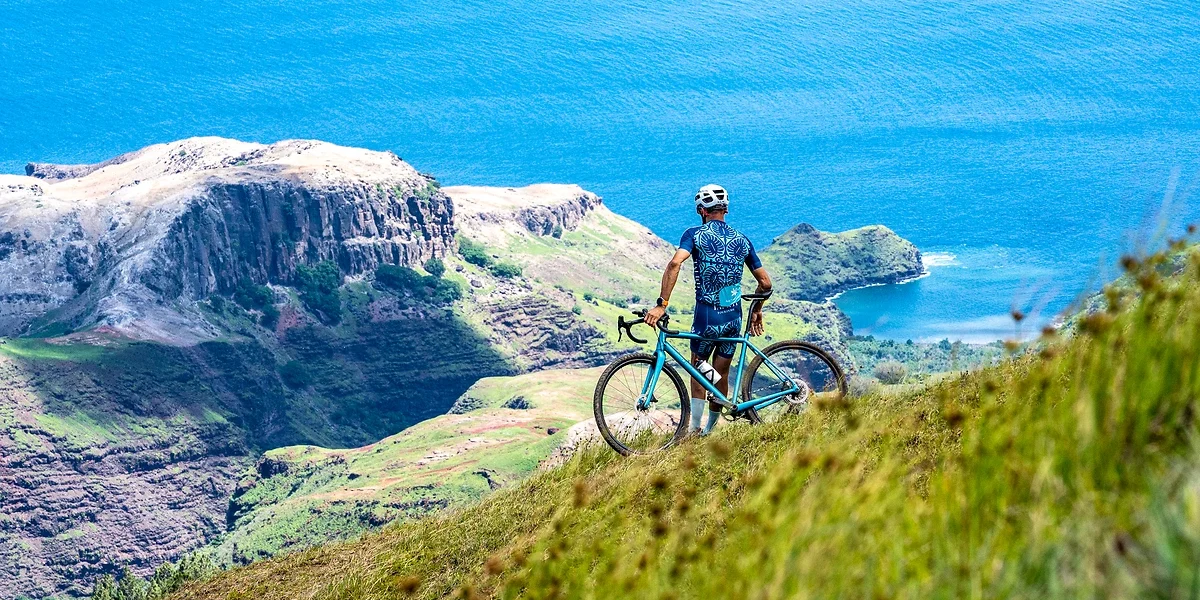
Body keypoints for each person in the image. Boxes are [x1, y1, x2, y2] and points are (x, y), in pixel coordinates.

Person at [644, 184, 772, 436]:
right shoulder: (742, 240)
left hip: (707, 317)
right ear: (725, 210)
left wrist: (661, 305)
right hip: (733, 318)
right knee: (720, 373)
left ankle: (694, 431)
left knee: (697, 369)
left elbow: (674, 264)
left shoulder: (695, 234)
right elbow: (765, 283)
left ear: (702, 211)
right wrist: (756, 309)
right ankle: (711, 432)